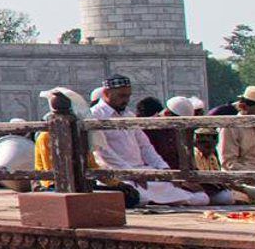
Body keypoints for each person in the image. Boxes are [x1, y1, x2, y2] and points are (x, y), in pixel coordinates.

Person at [89, 75, 209, 206]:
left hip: (143, 173)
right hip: (117, 175)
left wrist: (164, 170)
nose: (126, 100)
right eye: (122, 96)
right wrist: (130, 173)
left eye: (128, 96)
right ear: (106, 93)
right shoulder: (95, 115)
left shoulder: (128, 116)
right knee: (138, 198)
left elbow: (145, 146)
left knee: (202, 198)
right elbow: (103, 152)